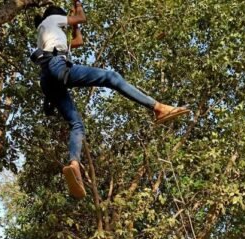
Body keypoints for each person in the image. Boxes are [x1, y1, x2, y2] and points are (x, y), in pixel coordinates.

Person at [33, 2, 189, 199]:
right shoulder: (52, 19)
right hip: (57, 66)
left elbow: (78, 41)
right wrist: (77, 5)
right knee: (111, 77)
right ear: (58, 15)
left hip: (48, 79)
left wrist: (74, 26)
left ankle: (74, 166)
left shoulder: (47, 32)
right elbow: (82, 17)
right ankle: (158, 108)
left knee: (77, 124)